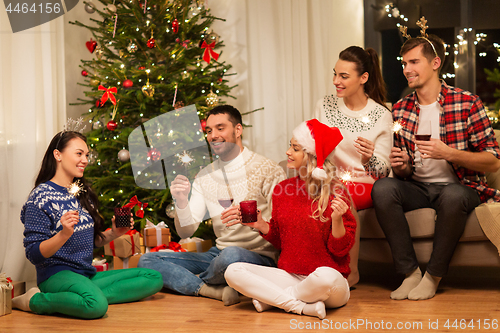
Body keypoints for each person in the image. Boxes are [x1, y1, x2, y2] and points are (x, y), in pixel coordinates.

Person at [372, 27, 500, 301]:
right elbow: (404, 169)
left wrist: (449, 153)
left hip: (460, 188)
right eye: (404, 63)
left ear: (435, 63)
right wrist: (402, 164)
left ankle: (433, 276)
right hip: (418, 189)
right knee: (383, 188)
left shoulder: (466, 103)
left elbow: (492, 162)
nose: (407, 69)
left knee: (453, 195)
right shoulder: (401, 109)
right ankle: (410, 274)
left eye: (414, 62)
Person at [138, 105, 286, 306]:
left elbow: (285, 226)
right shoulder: (205, 175)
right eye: (209, 131)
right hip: (219, 254)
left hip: (261, 256)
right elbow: (185, 232)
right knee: (147, 261)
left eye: (220, 128)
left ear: (238, 130)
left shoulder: (267, 169)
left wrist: (256, 221)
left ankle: (196, 281)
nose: (213, 135)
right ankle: (209, 290)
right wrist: (181, 201)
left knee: (231, 256)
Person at [13, 129, 163, 319]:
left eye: (86, 155)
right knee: (96, 306)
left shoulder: (82, 193)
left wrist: (115, 233)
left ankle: (82, 297)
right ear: (57, 154)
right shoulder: (40, 197)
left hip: (85, 274)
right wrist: (63, 234)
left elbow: (90, 242)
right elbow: (33, 253)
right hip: (56, 276)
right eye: (79, 153)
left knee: (153, 278)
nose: (84, 160)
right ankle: (33, 301)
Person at [225, 119, 356, 320]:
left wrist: (337, 219)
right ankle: (302, 307)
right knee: (233, 271)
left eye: (295, 148)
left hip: (329, 283)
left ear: (312, 155)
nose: (288, 152)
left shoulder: (336, 191)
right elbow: (280, 241)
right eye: (290, 145)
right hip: (290, 277)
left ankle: (274, 300)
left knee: (325, 276)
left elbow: (340, 250)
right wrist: (260, 225)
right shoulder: (282, 190)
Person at [314, 45, 393, 286]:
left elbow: (383, 170)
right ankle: (306, 267)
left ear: (363, 78)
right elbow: (316, 149)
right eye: (335, 74)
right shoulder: (324, 105)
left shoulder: (381, 115)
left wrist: (369, 158)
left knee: (340, 195)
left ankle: (351, 272)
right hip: (330, 181)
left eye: (344, 76)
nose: (336, 81)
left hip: (365, 185)